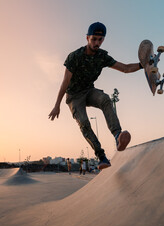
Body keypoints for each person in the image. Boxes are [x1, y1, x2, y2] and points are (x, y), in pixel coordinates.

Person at [49, 22, 143, 170]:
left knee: (105, 99)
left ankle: (118, 136)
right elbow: (65, 82)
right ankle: (101, 156)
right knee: (84, 123)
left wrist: (142, 65)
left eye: (100, 40)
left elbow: (125, 68)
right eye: (94, 39)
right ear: (87, 38)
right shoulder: (75, 56)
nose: (96, 43)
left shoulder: (102, 56)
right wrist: (57, 105)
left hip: (89, 91)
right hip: (74, 96)